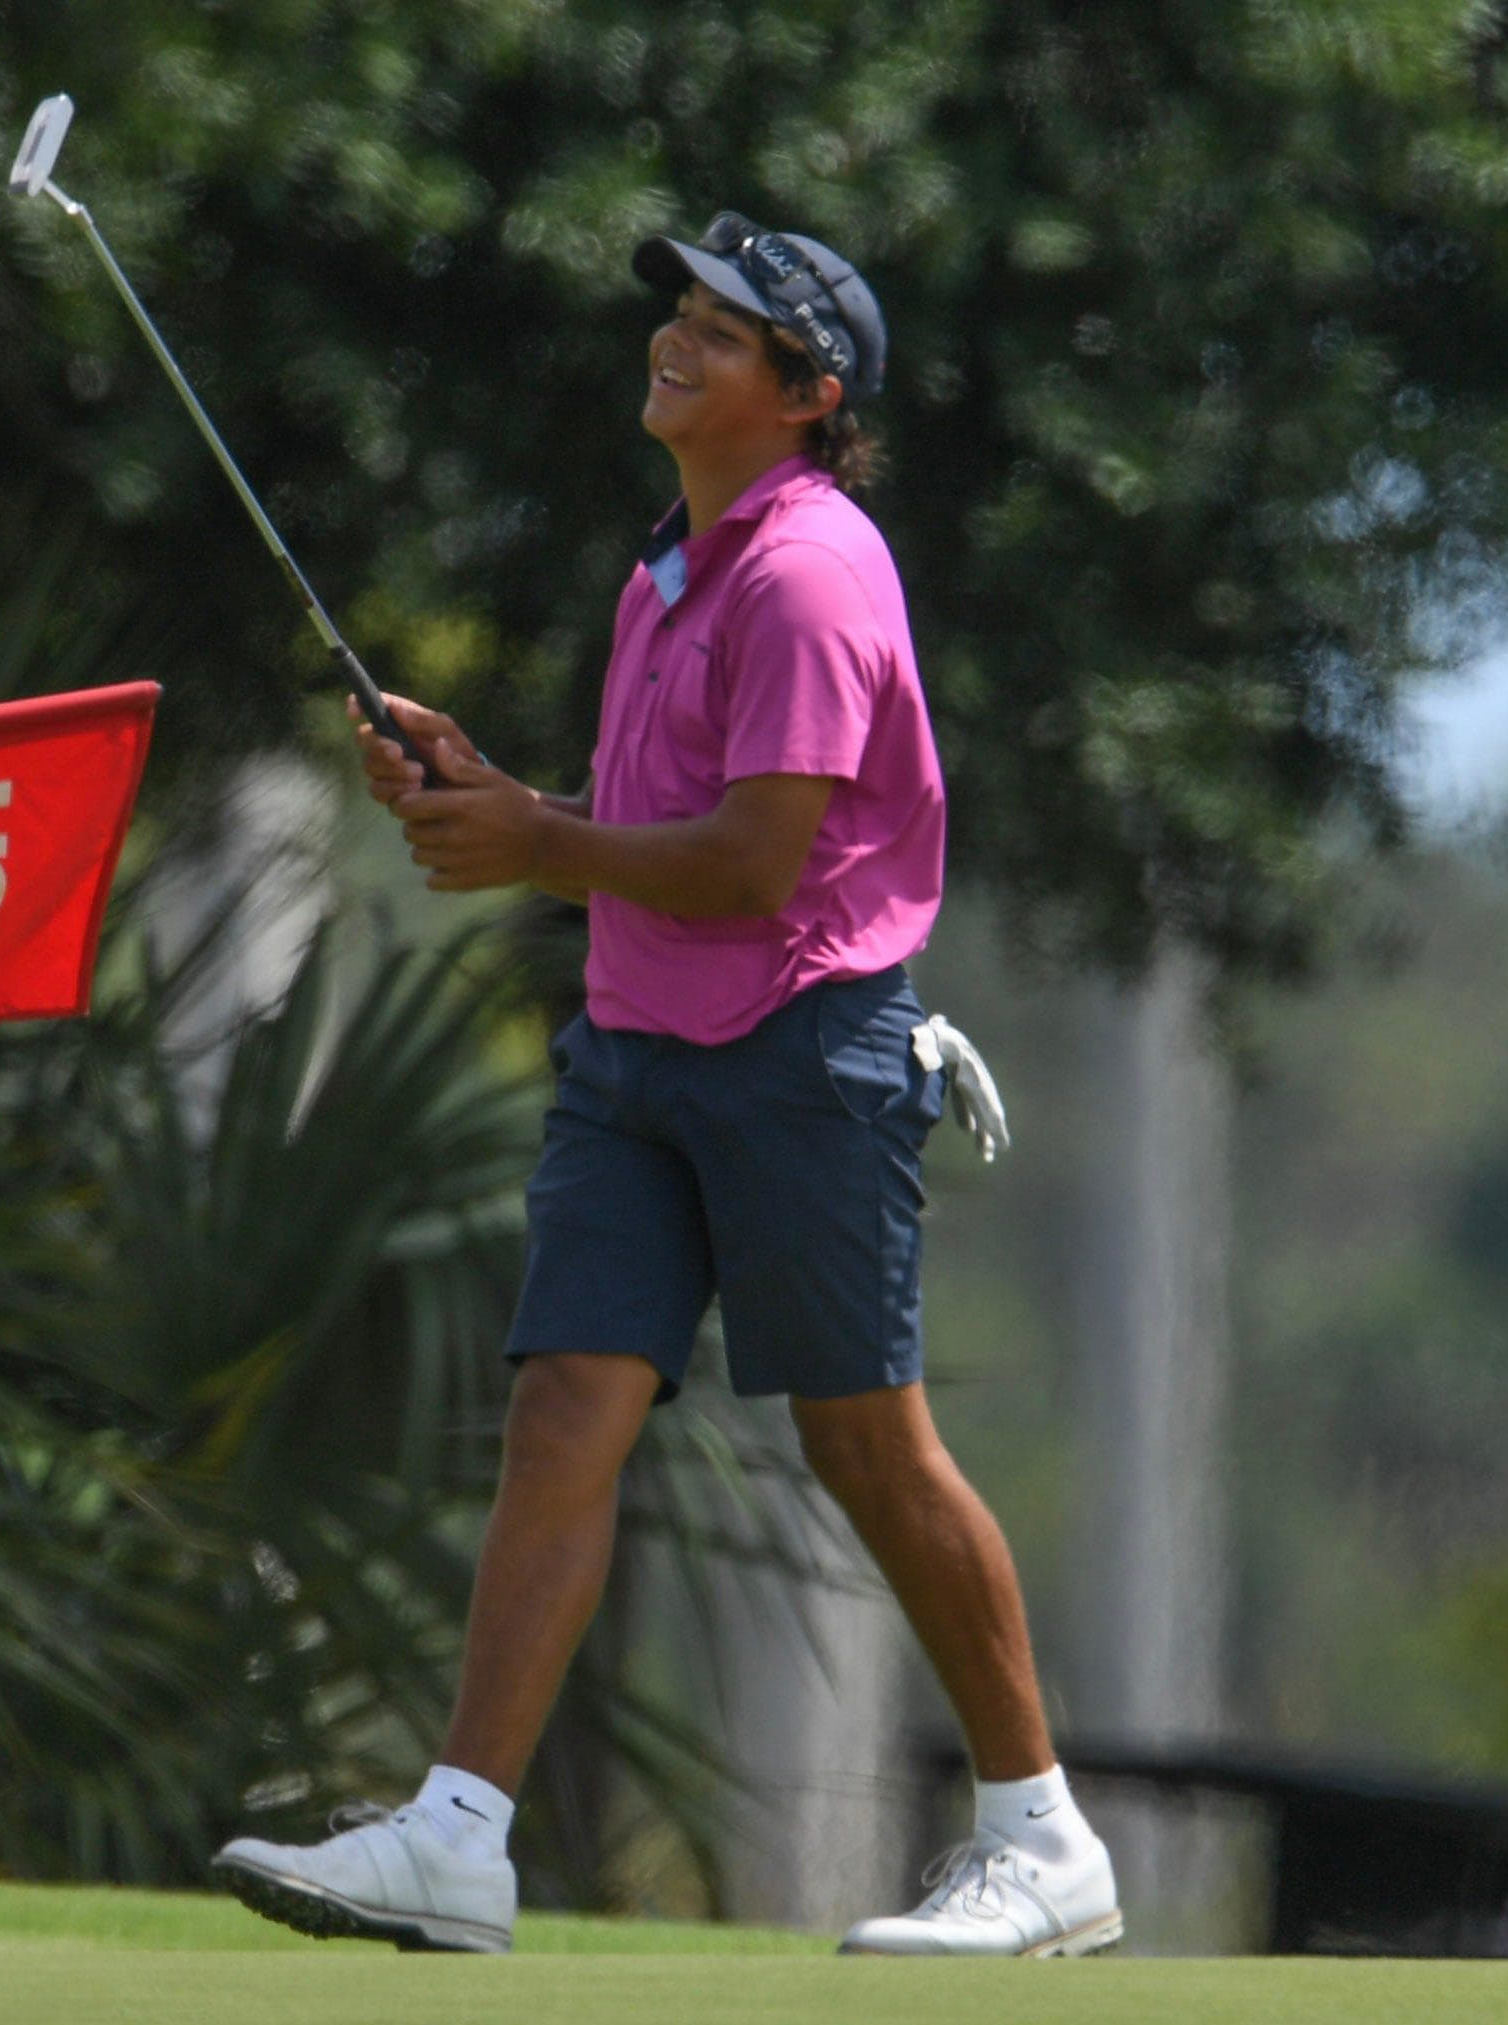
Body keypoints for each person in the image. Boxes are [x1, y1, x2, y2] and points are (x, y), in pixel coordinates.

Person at [207, 214, 1120, 1959]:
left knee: (867, 1443)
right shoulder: (674, 568)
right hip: (637, 1055)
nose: (680, 338)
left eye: (730, 326)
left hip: (802, 1054)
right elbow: (659, 832)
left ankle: (1042, 1839)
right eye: (682, 311)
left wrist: (534, 841)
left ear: (809, 392)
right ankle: (460, 1837)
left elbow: (763, 861)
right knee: (564, 1410)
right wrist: (504, 792)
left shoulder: (807, 571)